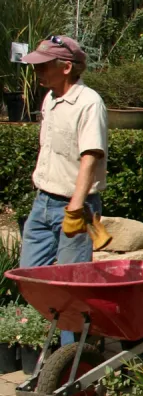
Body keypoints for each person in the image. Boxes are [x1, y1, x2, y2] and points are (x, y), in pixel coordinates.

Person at [19, 36, 111, 279]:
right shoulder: (50, 98)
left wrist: (75, 208)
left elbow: (90, 157)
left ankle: (79, 318)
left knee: (71, 280)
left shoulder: (89, 103)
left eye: (43, 66)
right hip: (43, 202)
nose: (37, 71)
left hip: (73, 206)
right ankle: (41, 318)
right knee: (29, 276)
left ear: (66, 67)